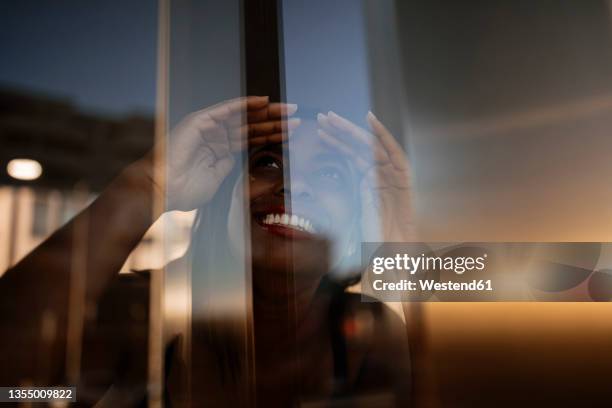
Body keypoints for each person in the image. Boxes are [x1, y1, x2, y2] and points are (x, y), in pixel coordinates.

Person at [0, 96, 415, 406]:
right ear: (225, 198)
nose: (293, 185)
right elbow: (11, 388)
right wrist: (147, 186)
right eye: (268, 163)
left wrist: (406, 236)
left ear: (355, 218)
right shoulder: (139, 311)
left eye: (329, 174)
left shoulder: (369, 329)